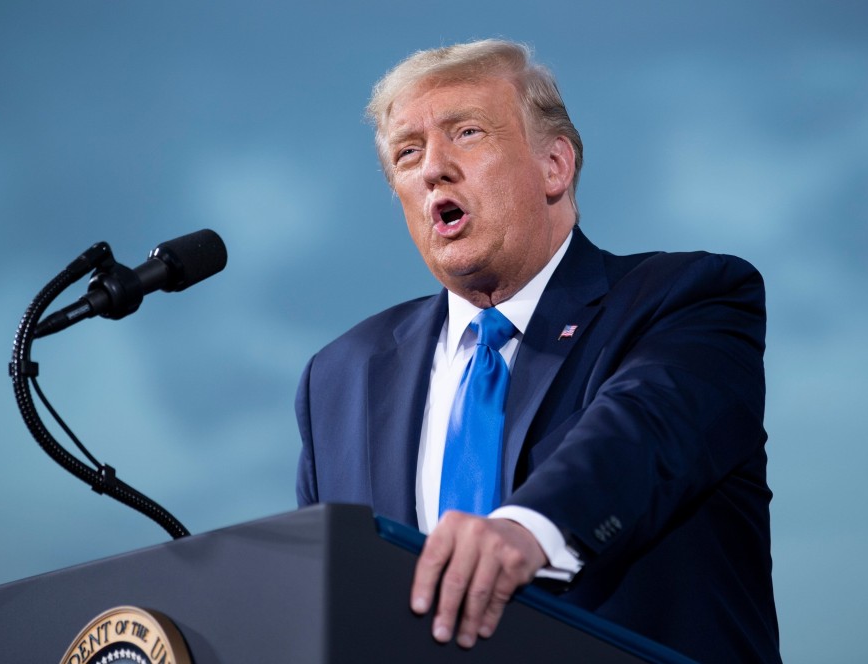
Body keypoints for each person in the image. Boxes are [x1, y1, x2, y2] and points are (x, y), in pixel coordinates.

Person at [295, 39, 780, 663]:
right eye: (407, 153)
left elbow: (638, 433)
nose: (433, 168)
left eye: (467, 133)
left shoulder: (685, 299)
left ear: (554, 165)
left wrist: (526, 530)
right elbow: (329, 593)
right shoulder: (340, 376)